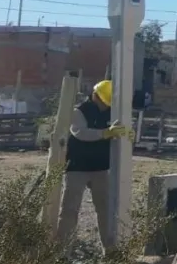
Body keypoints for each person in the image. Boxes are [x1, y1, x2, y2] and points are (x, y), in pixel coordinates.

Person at [57, 79, 134, 254]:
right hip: (77, 167)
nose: (105, 106)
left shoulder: (112, 112)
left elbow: (120, 131)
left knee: (106, 209)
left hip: (100, 167)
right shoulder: (79, 112)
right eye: (103, 101)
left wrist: (127, 134)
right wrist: (105, 133)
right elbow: (80, 132)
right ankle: (61, 253)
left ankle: (110, 250)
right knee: (69, 210)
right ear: (95, 95)